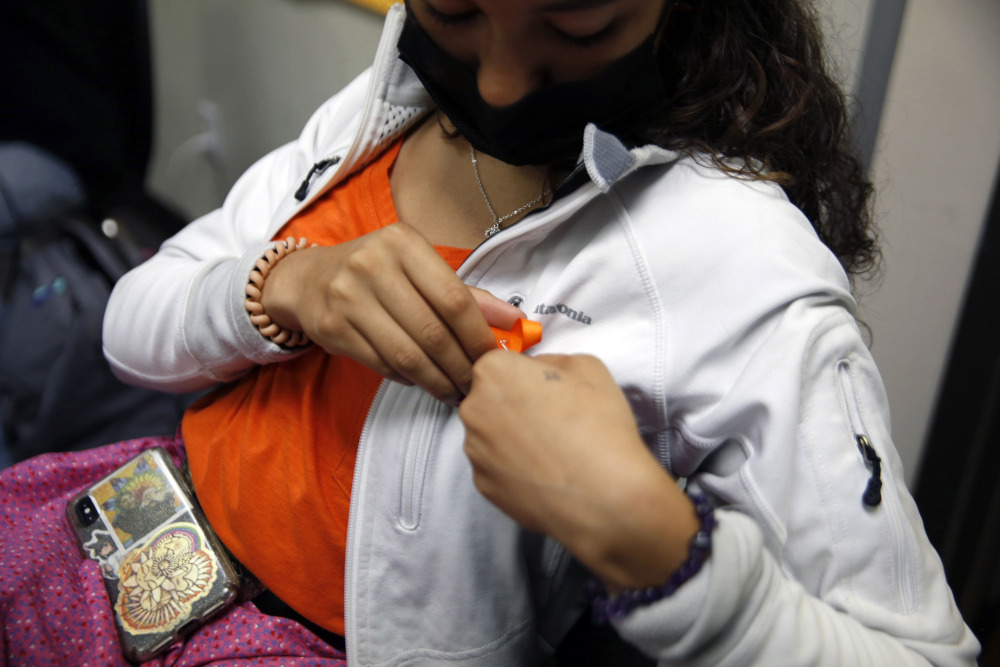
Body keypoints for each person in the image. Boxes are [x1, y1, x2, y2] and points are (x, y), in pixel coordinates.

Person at [0, 0, 979, 664]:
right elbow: (131, 331)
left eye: (577, 21)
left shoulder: (741, 265)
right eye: (455, 10)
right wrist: (280, 286)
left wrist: (663, 555)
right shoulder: (386, 108)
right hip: (106, 541)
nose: (502, 85)